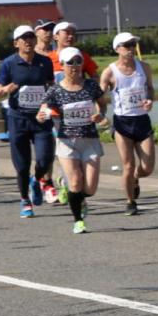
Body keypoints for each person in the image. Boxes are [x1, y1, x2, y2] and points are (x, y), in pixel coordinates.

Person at [37, 47, 108, 233]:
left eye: (78, 61)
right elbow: (43, 110)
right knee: (75, 181)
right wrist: (42, 115)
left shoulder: (91, 86)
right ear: (62, 65)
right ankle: (78, 220)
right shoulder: (55, 90)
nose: (75, 66)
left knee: (90, 188)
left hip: (89, 140)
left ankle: (77, 197)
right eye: (70, 62)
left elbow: (102, 104)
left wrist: (100, 115)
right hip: (67, 142)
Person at [0, 25, 57, 215]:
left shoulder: (45, 62)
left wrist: (49, 105)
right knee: (22, 165)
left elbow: (51, 86)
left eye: (31, 36)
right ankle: (25, 200)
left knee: (45, 159)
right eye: (24, 38)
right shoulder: (9, 63)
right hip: (18, 118)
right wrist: (7, 89)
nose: (28, 40)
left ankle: (36, 180)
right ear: (16, 43)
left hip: (40, 118)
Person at [100, 32, 155, 215]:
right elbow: (99, 97)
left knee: (147, 168)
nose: (131, 48)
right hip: (122, 122)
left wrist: (149, 100)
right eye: (126, 45)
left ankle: (135, 179)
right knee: (128, 165)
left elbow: (150, 89)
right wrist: (100, 115)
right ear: (117, 49)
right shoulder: (109, 72)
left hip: (142, 120)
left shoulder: (144, 68)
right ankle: (130, 201)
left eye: (133, 44)